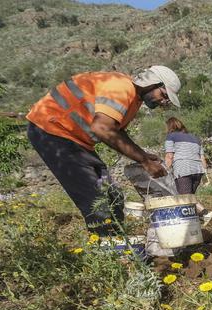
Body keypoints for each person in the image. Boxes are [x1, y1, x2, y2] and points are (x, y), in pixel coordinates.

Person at [26, 66, 182, 234]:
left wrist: (143, 155)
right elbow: (102, 128)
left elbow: (116, 130)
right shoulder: (121, 88)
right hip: (52, 132)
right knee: (97, 202)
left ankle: (116, 243)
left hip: (75, 140)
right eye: (164, 95)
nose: (162, 102)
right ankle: (108, 250)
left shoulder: (134, 98)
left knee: (112, 196)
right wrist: (144, 161)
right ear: (152, 83)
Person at [164, 117, 212, 225]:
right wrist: (205, 174)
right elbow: (202, 158)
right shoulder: (195, 138)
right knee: (189, 197)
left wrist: (164, 170)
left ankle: (205, 213)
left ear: (170, 126)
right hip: (198, 170)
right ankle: (193, 221)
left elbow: (169, 156)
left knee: (185, 197)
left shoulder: (171, 136)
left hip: (183, 168)